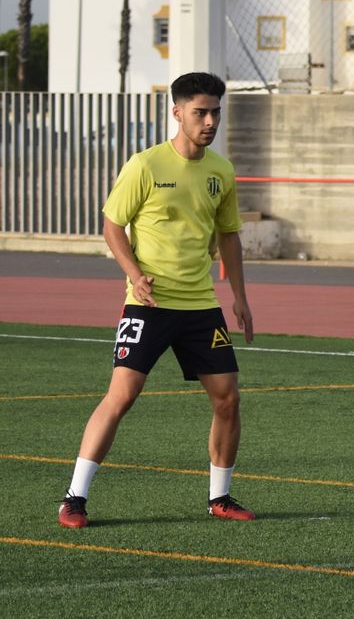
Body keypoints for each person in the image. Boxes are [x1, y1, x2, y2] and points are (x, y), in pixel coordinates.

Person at [58, 72, 255, 529]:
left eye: (215, 112)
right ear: (177, 112)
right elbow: (112, 225)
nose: (209, 121)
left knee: (228, 398)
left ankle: (219, 497)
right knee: (122, 395)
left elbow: (229, 237)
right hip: (147, 306)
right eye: (200, 112)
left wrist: (239, 296)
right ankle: (74, 497)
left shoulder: (221, 172)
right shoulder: (144, 165)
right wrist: (134, 274)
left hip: (201, 306)